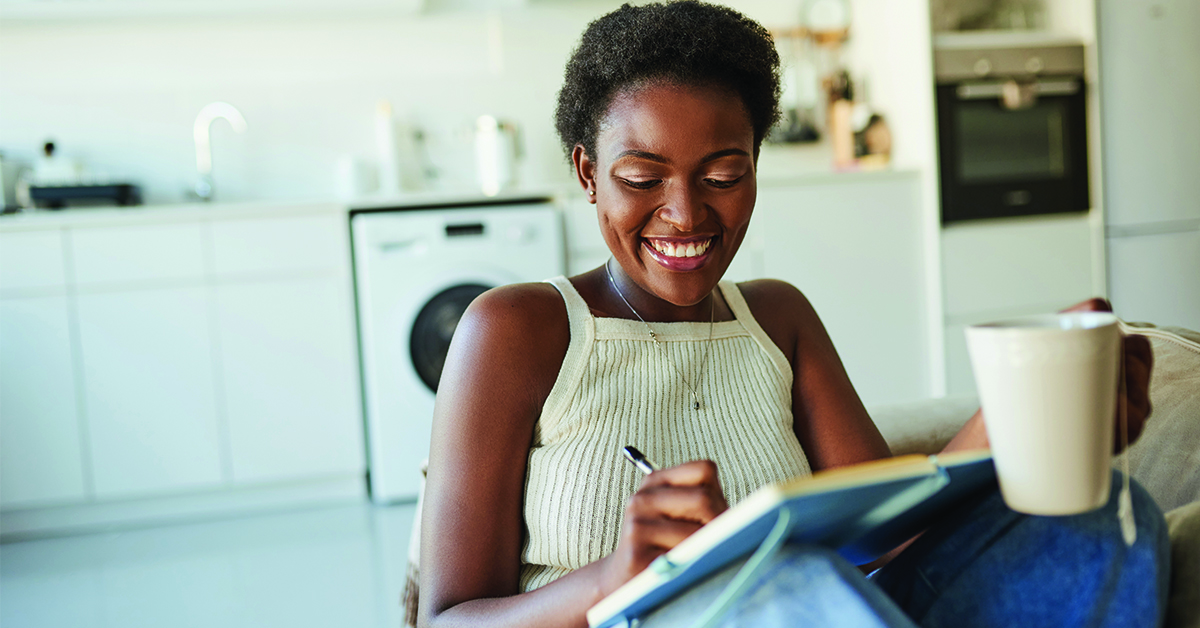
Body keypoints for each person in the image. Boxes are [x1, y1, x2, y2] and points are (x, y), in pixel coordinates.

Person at [416, 2, 1166, 627]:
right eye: (642, 178)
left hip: (826, 610)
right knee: (780, 591)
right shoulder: (516, 330)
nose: (684, 214)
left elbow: (893, 536)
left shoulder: (778, 318)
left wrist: (1026, 417)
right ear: (587, 172)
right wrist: (613, 577)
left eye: (723, 175)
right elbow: (447, 618)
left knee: (1101, 518)